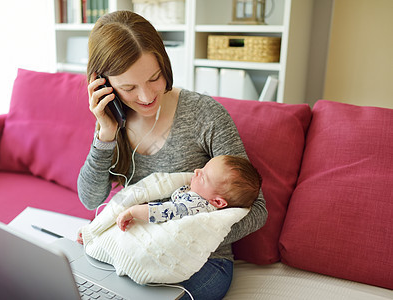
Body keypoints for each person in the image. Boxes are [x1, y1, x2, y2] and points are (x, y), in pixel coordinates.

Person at [78, 10, 267, 300]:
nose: (145, 96)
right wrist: (105, 133)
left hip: (201, 261)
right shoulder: (113, 123)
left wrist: (187, 234)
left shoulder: (205, 115)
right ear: (104, 85)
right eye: (128, 87)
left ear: (164, 65)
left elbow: (257, 211)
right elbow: (90, 199)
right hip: (134, 249)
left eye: (154, 78)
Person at [116, 155, 262, 231]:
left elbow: (164, 211)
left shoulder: (197, 205)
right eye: (203, 167)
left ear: (217, 202)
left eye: (203, 176)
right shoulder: (200, 196)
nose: (197, 171)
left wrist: (133, 212)